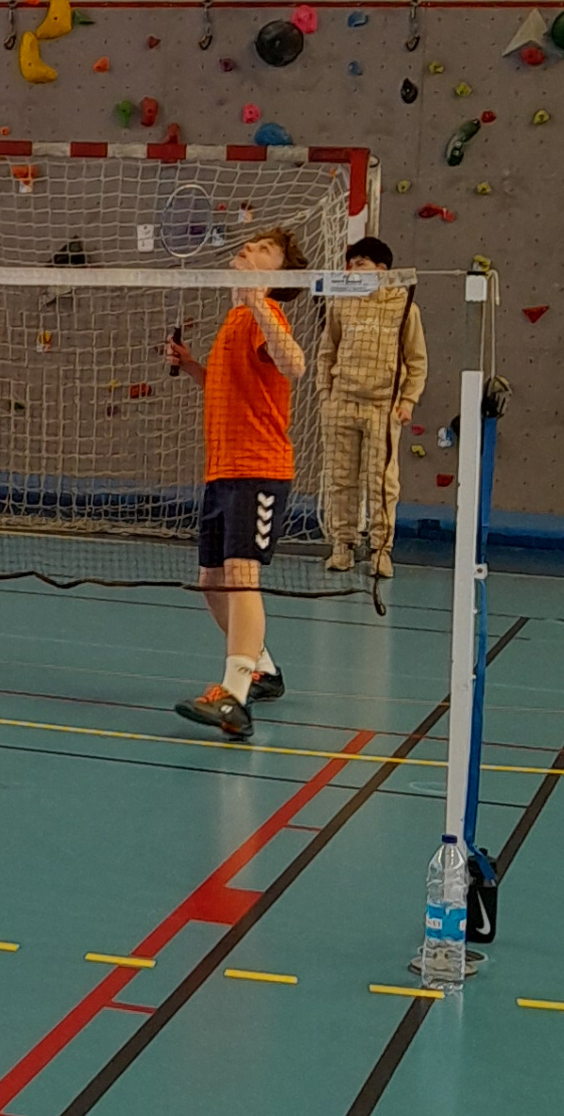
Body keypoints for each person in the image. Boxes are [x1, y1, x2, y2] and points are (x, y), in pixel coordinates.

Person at [166, 224, 308, 743]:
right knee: (211, 581)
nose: (249, 247)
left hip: (259, 468)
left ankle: (235, 695)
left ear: (279, 276)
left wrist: (260, 303)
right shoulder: (235, 319)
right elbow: (229, 388)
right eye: (252, 243)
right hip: (222, 470)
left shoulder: (263, 314)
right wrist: (192, 367)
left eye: (265, 249)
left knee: (242, 578)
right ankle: (261, 668)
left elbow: (295, 364)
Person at [317, 231, 425, 578]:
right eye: (349, 264)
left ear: (381, 269)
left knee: (381, 483)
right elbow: (326, 352)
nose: (352, 269)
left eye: (360, 263)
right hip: (342, 403)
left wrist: (407, 401)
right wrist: (325, 395)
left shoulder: (405, 307)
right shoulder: (341, 303)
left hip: (383, 408)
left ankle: (381, 550)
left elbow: (417, 361)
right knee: (341, 479)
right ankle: (342, 545)